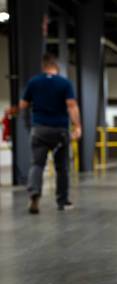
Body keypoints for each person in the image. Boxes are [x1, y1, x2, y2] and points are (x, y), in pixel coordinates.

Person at [6, 53, 81, 214]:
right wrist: (77, 126)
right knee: (62, 168)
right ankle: (62, 202)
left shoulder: (34, 82)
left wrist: (12, 111)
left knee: (37, 164)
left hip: (39, 130)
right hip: (59, 130)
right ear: (56, 67)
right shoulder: (64, 83)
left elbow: (23, 105)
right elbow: (71, 105)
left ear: (43, 66)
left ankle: (34, 194)